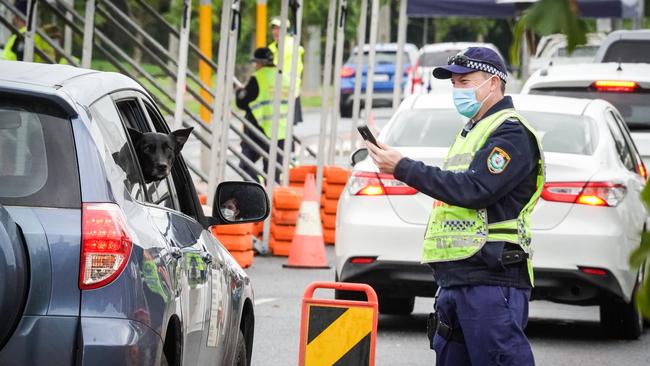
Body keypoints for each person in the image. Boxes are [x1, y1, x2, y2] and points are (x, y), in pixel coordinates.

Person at [365, 47, 544, 366]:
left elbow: (475, 189)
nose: (457, 89)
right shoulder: (471, 131)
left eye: (465, 81)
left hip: (492, 276)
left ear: (493, 83)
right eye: (454, 83)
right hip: (458, 276)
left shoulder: (511, 132)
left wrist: (403, 167)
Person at [235, 47, 288, 184]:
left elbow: (243, 102)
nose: (256, 66)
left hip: (258, 128)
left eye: (256, 63)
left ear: (260, 63)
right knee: (273, 173)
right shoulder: (284, 77)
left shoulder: (258, 77)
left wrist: (239, 92)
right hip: (280, 131)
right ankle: (272, 200)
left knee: (246, 165)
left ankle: (255, 191)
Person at [268, 16, 304, 125]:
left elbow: (297, 70)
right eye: (274, 28)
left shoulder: (291, 45)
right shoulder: (272, 47)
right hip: (273, 91)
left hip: (288, 90)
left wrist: (294, 90)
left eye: (278, 28)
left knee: (285, 127)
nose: (275, 31)